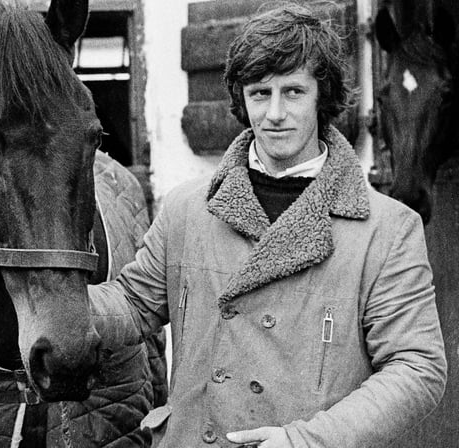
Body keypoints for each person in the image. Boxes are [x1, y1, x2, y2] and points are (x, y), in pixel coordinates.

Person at [91, 3, 447, 447]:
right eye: (260, 93)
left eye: (293, 91)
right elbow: (132, 303)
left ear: (323, 97)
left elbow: (417, 368)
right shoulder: (187, 209)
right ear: (241, 98)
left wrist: (306, 441)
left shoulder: (388, 229)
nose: (275, 113)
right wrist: (44, 303)